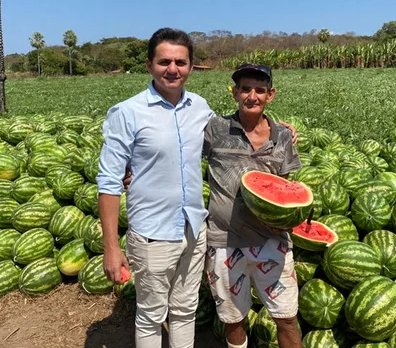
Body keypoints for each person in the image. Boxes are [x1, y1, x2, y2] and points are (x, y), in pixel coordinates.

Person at [97, 28, 212, 348]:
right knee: (150, 315)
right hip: (152, 234)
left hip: (193, 228)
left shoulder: (200, 108)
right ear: (149, 65)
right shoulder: (128, 112)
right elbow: (108, 181)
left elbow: (229, 138)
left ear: (190, 66)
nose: (172, 69)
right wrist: (111, 246)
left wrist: (274, 130)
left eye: (181, 62)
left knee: (186, 310)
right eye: (164, 61)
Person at [203, 64, 303, 348]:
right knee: (232, 318)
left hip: (272, 242)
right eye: (245, 89)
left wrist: (286, 218)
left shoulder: (282, 136)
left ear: (270, 95)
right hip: (225, 241)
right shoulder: (215, 129)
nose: (252, 96)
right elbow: (176, 152)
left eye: (259, 90)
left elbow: (284, 188)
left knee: (286, 317)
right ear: (235, 93)